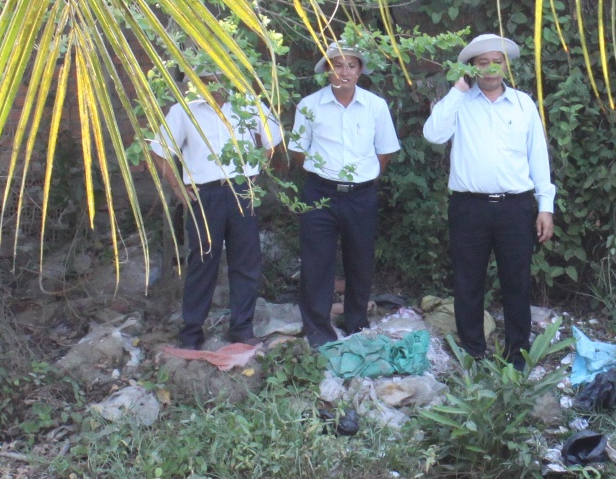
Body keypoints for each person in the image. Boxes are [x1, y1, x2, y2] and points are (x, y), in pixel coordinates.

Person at [420, 33, 556, 365]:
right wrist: (457, 90)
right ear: (472, 68)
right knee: (468, 281)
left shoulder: (524, 104)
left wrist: (545, 206)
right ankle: (472, 351)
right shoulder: (459, 102)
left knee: (517, 282)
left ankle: (517, 355)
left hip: (515, 207)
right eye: (483, 62)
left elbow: (538, 157)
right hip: (469, 207)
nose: (492, 68)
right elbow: (433, 134)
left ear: (506, 66)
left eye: (497, 61)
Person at [149, 70, 281, 348]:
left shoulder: (249, 105)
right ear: (195, 80)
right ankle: (192, 332)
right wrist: (177, 188)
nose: (213, 83)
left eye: (219, 76)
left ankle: (242, 329)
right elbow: (159, 151)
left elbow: (273, 141)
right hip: (204, 195)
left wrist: (257, 171)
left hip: (241, 191)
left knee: (246, 262)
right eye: (206, 78)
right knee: (202, 262)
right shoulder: (183, 111)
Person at [289, 42, 401, 346]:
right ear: (327, 70)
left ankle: (356, 324)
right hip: (319, 192)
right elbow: (299, 151)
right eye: (337, 65)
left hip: (361, 194)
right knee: (316, 262)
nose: (344, 72)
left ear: (360, 71)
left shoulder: (375, 106)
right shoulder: (310, 106)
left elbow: (385, 152)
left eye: (351, 66)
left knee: (360, 260)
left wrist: (366, 178)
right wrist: (323, 174)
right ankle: (317, 331)